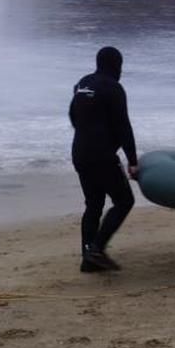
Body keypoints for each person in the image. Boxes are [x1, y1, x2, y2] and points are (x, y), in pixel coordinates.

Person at [70, 46, 139, 273]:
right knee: (124, 201)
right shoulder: (114, 88)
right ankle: (96, 249)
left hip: (79, 151)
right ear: (116, 66)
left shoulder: (82, 84)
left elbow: (73, 116)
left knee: (94, 204)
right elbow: (123, 126)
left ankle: (88, 258)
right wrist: (132, 161)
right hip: (102, 155)